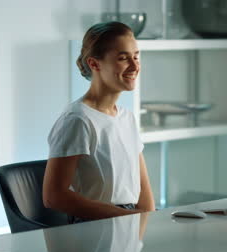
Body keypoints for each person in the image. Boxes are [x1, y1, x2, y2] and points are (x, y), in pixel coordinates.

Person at [43, 21, 155, 223]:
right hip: (94, 227)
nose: (134, 65)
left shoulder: (126, 117)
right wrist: (126, 219)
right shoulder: (78, 120)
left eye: (136, 56)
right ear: (94, 64)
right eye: (123, 58)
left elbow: (144, 194)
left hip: (127, 226)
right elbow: (54, 196)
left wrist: (139, 233)